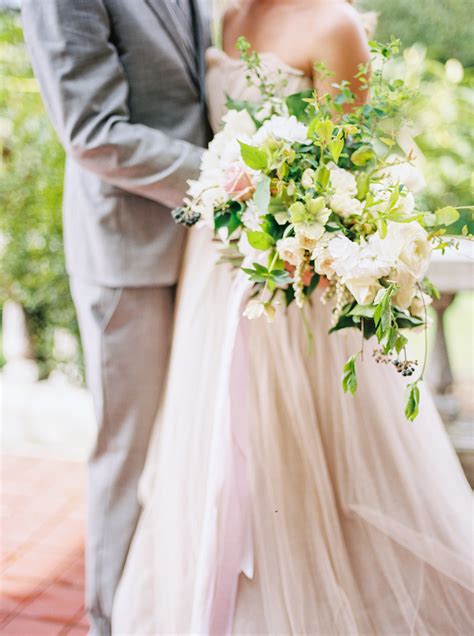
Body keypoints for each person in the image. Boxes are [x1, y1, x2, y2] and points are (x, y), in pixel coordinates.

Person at [112, 0, 473, 633]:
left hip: (295, 284)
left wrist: (291, 223)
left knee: (297, 459)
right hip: (217, 267)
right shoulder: (224, 18)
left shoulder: (332, 24)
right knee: (213, 451)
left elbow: (356, 170)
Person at [21, 1, 211, 634]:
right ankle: (111, 620)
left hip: (213, 254)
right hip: (129, 252)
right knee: (129, 457)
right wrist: (229, 176)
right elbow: (93, 131)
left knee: (195, 449)